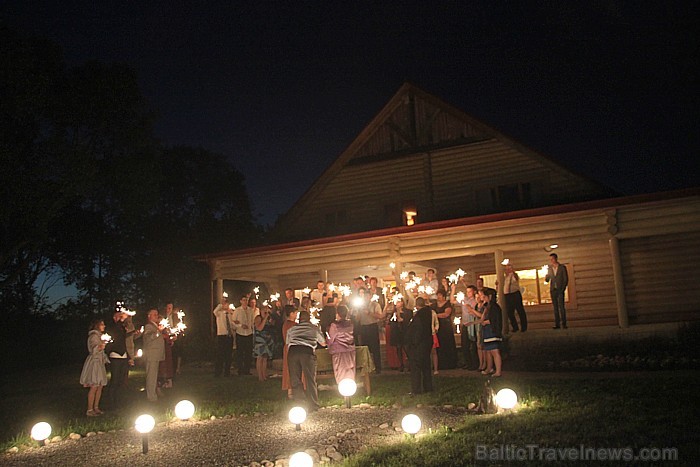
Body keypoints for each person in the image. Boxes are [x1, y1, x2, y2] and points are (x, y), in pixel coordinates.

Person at [286, 310, 326, 411]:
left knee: (295, 379)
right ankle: (313, 405)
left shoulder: (292, 329)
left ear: (299, 319)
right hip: (307, 352)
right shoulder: (314, 328)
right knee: (310, 379)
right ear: (309, 319)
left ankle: (299, 402)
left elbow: (287, 343)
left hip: (293, 352)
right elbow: (323, 343)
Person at [80, 319, 109, 416]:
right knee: (94, 386)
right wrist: (101, 345)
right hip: (94, 363)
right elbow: (93, 349)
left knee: (100, 386)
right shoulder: (93, 336)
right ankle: (89, 409)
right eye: (102, 325)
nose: (104, 326)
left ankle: (96, 407)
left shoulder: (100, 336)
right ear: (97, 326)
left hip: (99, 363)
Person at [405, 297, 433, 394]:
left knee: (416, 367)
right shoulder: (428, 313)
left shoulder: (419, 316)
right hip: (427, 342)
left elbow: (417, 330)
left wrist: (413, 343)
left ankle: (416, 389)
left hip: (419, 344)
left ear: (417, 305)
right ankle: (428, 387)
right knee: (426, 366)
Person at [105, 309, 129, 409]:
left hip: (123, 355)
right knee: (114, 380)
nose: (121, 318)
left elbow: (123, 339)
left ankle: (119, 400)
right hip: (115, 355)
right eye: (119, 317)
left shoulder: (122, 328)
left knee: (121, 380)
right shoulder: (112, 328)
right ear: (115, 318)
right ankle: (112, 402)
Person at [356, 287, 383, 373]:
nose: (366, 297)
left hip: (372, 326)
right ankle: (366, 367)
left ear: (370, 296)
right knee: (365, 348)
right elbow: (357, 319)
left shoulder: (375, 305)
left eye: (368, 296)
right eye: (365, 296)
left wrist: (369, 313)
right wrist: (358, 312)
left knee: (375, 348)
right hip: (364, 327)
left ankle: (378, 368)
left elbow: (380, 316)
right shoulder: (360, 305)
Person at [327, 305, 355, 383]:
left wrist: (328, 344)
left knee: (340, 371)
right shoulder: (350, 323)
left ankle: (343, 391)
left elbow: (330, 339)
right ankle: (350, 388)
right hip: (350, 350)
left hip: (339, 351)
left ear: (338, 314)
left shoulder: (334, 325)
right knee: (350, 369)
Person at [142, 308, 166, 401]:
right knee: (151, 376)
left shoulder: (156, 326)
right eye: (154, 314)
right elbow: (148, 338)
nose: (157, 316)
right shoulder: (148, 326)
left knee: (154, 375)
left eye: (157, 314)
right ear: (149, 316)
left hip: (156, 354)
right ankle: (151, 396)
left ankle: (153, 394)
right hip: (151, 354)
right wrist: (158, 332)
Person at [478, 288, 503, 377]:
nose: (483, 298)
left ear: (490, 296)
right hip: (487, 331)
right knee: (488, 350)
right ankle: (489, 368)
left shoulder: (494, 307)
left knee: (494, 351)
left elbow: (495, 320)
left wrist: (486, 322)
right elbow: (482, 317)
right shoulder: (486, 306)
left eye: (484, 296)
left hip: (492, 331)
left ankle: (498, 371)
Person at [434, 289, 458, 370]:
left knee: (447, 343)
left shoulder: (447, 304)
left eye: (440, 295)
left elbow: (446, 314)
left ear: (443, 296)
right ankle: (441, 363)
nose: (438, 297)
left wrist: (436, 315)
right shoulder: (434, 304)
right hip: (438, 327)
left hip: (446, 327)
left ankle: (450, 363)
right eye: (437, 295)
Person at [231, 295, 255, 375]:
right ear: (241, 301)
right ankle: (240, 370)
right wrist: (241, 325)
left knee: (248, 352)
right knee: (240, 352)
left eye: (246, 300)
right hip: (240, 333)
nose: (245, 302)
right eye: (244, 300)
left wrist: (252, 330)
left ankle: (247, 370)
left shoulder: (250, 310)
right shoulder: (237, 310)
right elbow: (233, 322)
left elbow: (252, 321)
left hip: (249, 333)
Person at [212, 294, 234, 377]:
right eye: (225, 304)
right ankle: (218, 372)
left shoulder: (230, 314)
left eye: (227, 304)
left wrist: (238, 325)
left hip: (229, 336)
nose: (226, 306)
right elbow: (215, 311)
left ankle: (227, 372)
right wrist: (221, 304)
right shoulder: (219, 314)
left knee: (228, 355)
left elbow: (232, 324)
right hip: (222, 336)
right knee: (220, 354)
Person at [545, 253, 569, 329]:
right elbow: (547, 280)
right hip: (553, 290)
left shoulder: (562, 267)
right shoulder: (550, 269)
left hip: (560, 289)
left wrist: (563, 288)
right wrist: (546, 275)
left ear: (556, 259)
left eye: (552, 259)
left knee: (561, 306)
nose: (551, 261)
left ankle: (564, 324)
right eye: (550, 259)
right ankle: (557, 324)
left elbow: (565, 279)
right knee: (555, 307)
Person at [281, 305, 300, 399]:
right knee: (293, 368)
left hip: (287, 348)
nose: (296, 315)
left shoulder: (285, 324)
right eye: (295, 313)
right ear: (291, 314)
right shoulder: (293, 325)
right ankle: (292, 390)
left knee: (289, 368)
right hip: (293, 348)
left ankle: (290, 391)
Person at [253, 302, 274, 381]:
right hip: (260, 340)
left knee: (265, 357)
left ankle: (264, 374)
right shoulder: (258, 318)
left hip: (267, 340)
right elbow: (259, 328)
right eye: (264, 310)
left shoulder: (269, 318)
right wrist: (265, 318)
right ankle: (260, 376)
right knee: (260, 357)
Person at [503, 264, 528, 332]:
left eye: (509, 268)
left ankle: (523, 327)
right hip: (508, 295)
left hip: (515, 294)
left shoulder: (514, 275)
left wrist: (512, 272)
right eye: (507, 269)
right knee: (510, 312)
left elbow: (515, 278)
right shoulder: (505, 277)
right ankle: (515, 327)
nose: (508, 270)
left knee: (520, 310)